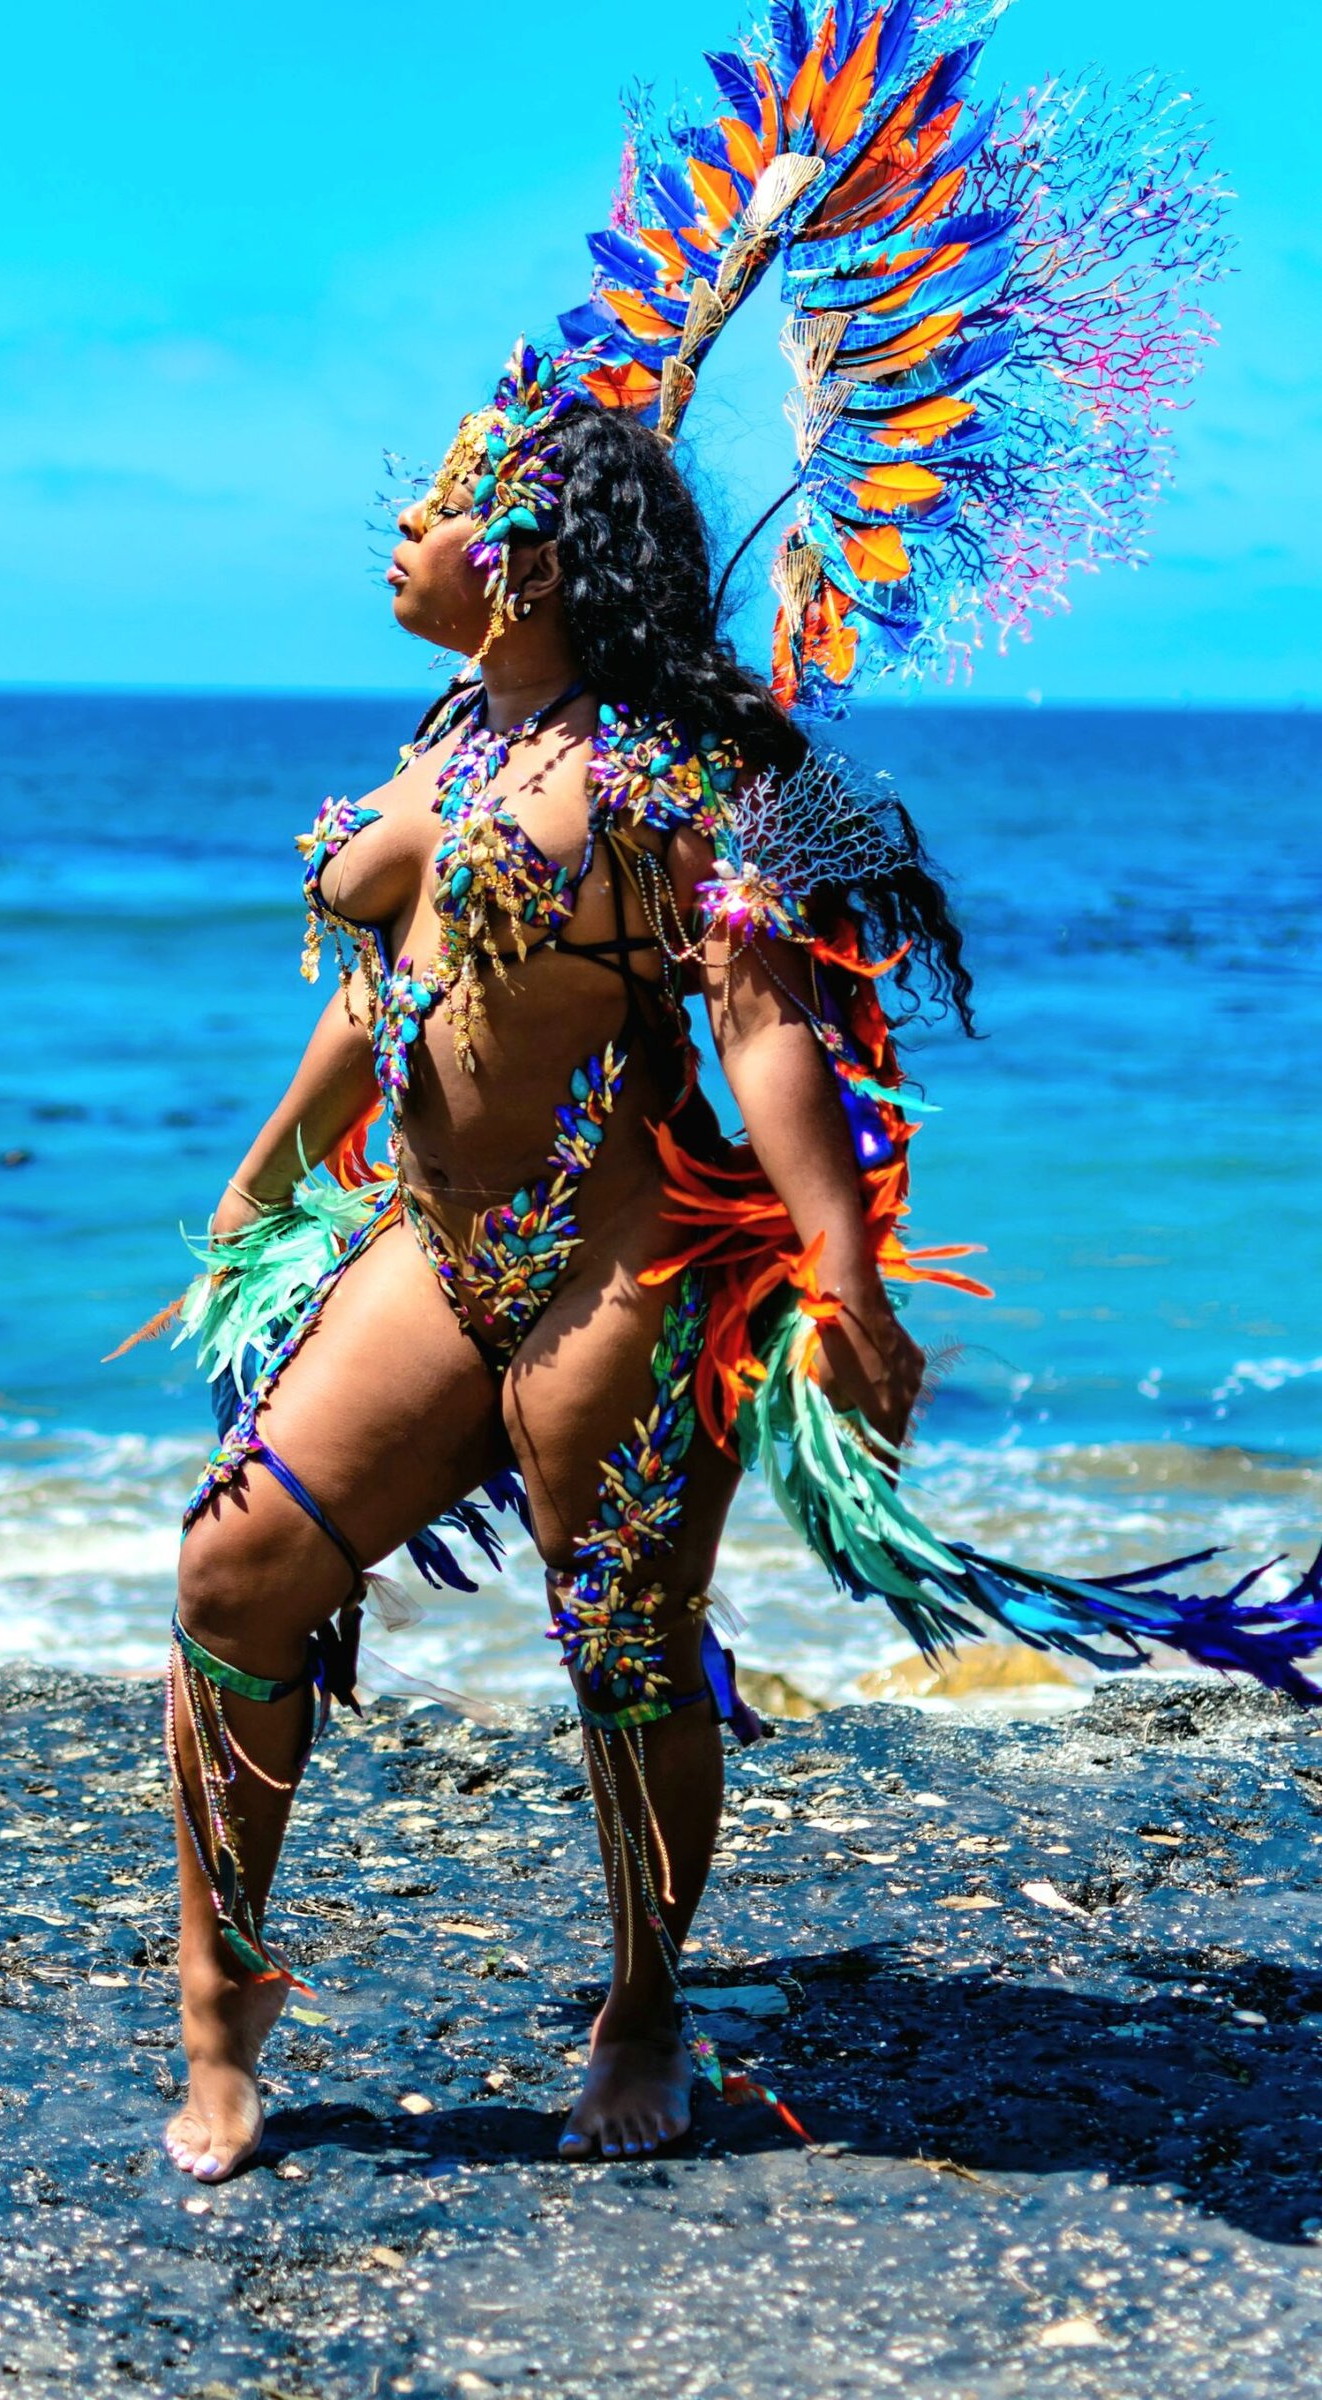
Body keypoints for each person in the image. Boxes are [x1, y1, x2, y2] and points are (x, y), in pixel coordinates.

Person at [126, 0, 1319, 2183]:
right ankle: (222, 2007)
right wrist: (258, 1175)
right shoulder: (445, 754)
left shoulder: (678, 781)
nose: (393, 529)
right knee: (232, 1584)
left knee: (624, 1644)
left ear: (528, 551)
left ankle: (643, 2004)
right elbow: (392, 993)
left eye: (433, 506)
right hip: (425, 1247)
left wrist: (846, 1275)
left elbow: (766, 1022)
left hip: (613, 1274)